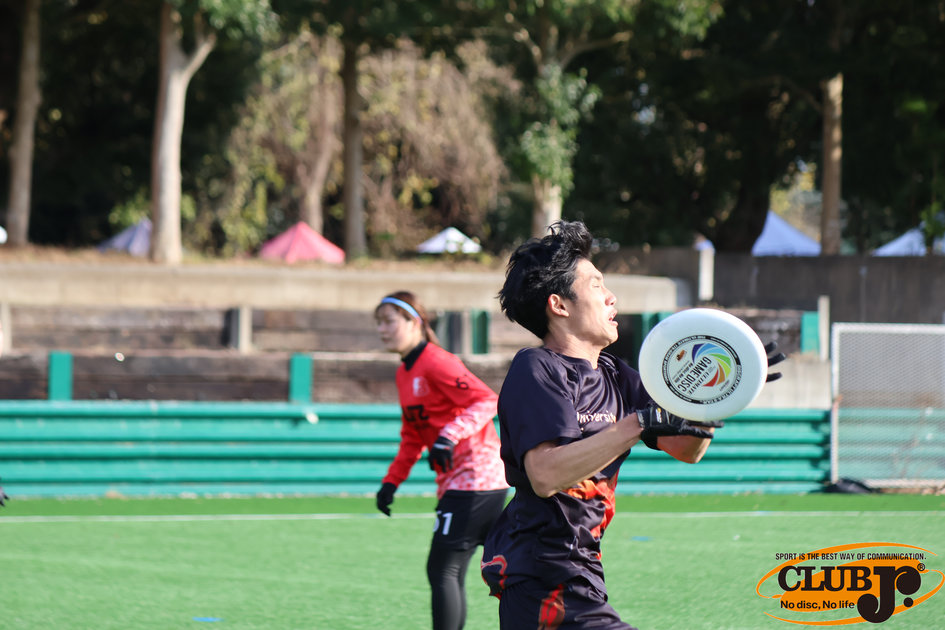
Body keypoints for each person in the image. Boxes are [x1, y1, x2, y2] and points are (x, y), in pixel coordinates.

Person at [481, 221, 782, 629]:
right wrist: (636, 424)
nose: (612, 297)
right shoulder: (536, 369)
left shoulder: (615, 374)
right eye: (596, 285)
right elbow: (545, 475)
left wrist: (718, 394)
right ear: (559, 305)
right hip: (543, 575)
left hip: (579, 572)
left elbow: (686, 448)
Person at [374, 291, 509, 630]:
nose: (382, 330)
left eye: (388, 321)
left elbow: (486, 400)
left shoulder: (436, 361)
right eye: (378, 323)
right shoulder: (405, 373)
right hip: (461, 483)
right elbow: (412, 435)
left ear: (414, 322)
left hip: (476, 478)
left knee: (443, 569)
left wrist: (449, 435)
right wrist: (392, 482)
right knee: (461, 570)